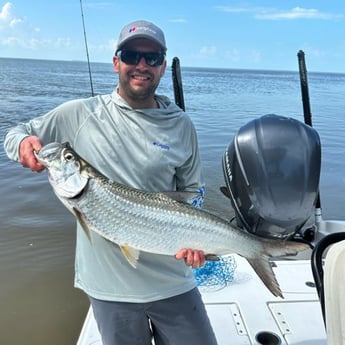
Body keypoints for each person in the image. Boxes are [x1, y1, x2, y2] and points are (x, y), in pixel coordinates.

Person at [4, 20, 218, 345]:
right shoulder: (79, 114)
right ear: (117, 62)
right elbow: (17, 132)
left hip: (174, 281)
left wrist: (195, 243)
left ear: (163, 67)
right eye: (132, 55)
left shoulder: (181, 125)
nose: (141, 65)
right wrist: (21, 144)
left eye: (153, 58)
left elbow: (192, 196)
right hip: (109, 288)